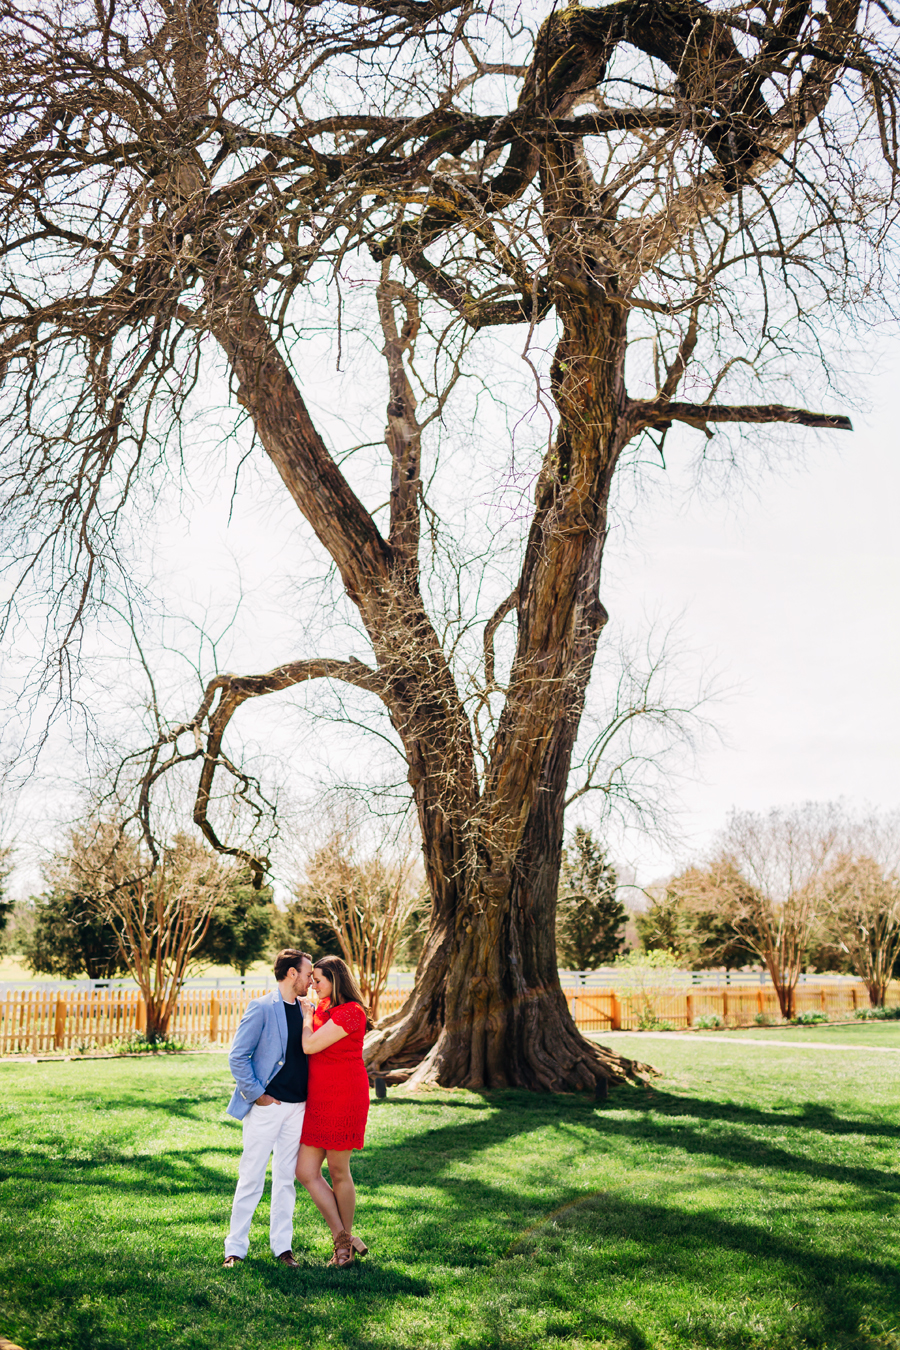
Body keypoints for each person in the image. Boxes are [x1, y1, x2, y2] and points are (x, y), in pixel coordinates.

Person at [223, 948, 313, 1269]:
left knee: (286, 1179)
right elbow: (238, 1056)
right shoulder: (261, 1007)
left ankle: (283, 1248)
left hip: (297, 1108)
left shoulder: (307, 1010)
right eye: (307, 973)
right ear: (291, 974)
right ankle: (235, 1249)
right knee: (251, 1177)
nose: (311, 979)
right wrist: (258, 1094)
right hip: (267, 1107)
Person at [296, 954, 371, 1268]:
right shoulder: (323, 1008)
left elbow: (311, 1046)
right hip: (318, 1097)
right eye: (312, 979)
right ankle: (345, 1238)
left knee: (339, 1171)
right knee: (305, 1172)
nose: (313, 985)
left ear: (335, 979)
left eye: (318, 980)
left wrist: (305, 1019)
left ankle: (343, 1247)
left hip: (344, 1096)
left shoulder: (351, 1012)